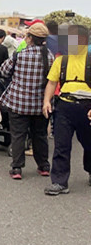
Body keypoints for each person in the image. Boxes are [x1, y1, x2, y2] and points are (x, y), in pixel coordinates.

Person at [0, 23, 54, 180]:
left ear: (29, 38)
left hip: (18, 103)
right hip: (41, 104)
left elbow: (4, 71)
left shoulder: (20, 54)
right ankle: (43, 166)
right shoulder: (49, 56)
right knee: (40, 135)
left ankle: (17, 168)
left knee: (18, 135)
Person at [42, 24, 91, 195]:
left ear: (83, 40)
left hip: (87, 106)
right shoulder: (61, 60)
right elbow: (52, 82)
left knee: (89, 143)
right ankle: (59, 182)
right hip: (64, 105)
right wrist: (46, 101)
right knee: (61, 145)